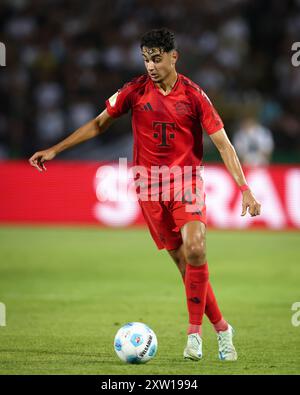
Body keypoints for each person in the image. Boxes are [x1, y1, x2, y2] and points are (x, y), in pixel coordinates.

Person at [29, 28, 261, 362]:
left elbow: (223, 144)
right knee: (185, 267)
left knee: (196, 249)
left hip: (185, 182)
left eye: (156, 59)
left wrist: (245, 189)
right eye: (145, 59)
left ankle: (194, 335)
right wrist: (55, 149)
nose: (150, 66)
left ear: (173, 57)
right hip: (148, 187)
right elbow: (98, 125)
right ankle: (223, 329)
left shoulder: (194, 96)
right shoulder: (134, 91)